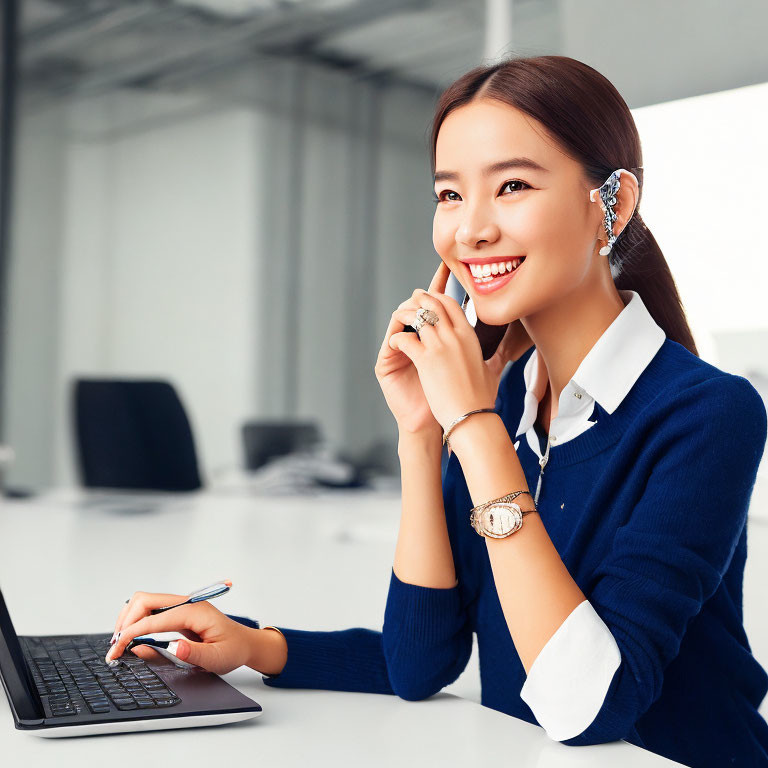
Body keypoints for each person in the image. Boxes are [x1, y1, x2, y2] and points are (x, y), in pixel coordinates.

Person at [105, 55, 768, 767]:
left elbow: (592, 706)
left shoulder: (707, 413)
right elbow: (422, 661)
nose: (471, 231)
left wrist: (474, 429)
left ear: (612, 202)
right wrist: (422, 436)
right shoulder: (510, 395)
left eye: (512, 186)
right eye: (449, 195)